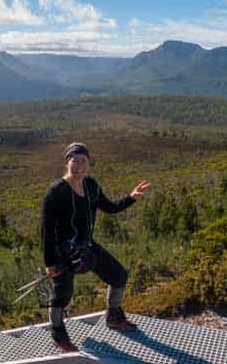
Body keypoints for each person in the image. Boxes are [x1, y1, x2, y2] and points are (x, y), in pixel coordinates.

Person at [41, 142, 151, 352]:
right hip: (62, 253)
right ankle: (57, 332)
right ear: (67, 163)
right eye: (75, 160)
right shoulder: (55, 192)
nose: (80, 165)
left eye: (84, 161)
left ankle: (113, 316)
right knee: (62, 295)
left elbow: (109, 208)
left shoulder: (91, 185)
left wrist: (131, 198)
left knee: (118, 276)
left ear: (89, 164)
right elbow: (46, 231)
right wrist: (50, 263)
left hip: (87, 246)